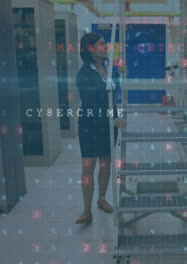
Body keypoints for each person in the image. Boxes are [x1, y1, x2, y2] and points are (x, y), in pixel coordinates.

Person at [75, 32, 127, 224]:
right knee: (88, 167)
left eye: (105, 44)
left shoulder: (109, 68)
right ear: (90, 49)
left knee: (105, 164)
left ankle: (102, 199)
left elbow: (113, 93)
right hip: (91, 125)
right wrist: (112, 120)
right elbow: (92, 105)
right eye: (101, 45)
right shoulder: (83, 75)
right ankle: (86, 211)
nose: (105, 47)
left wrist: (121, 74)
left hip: (108, 125)